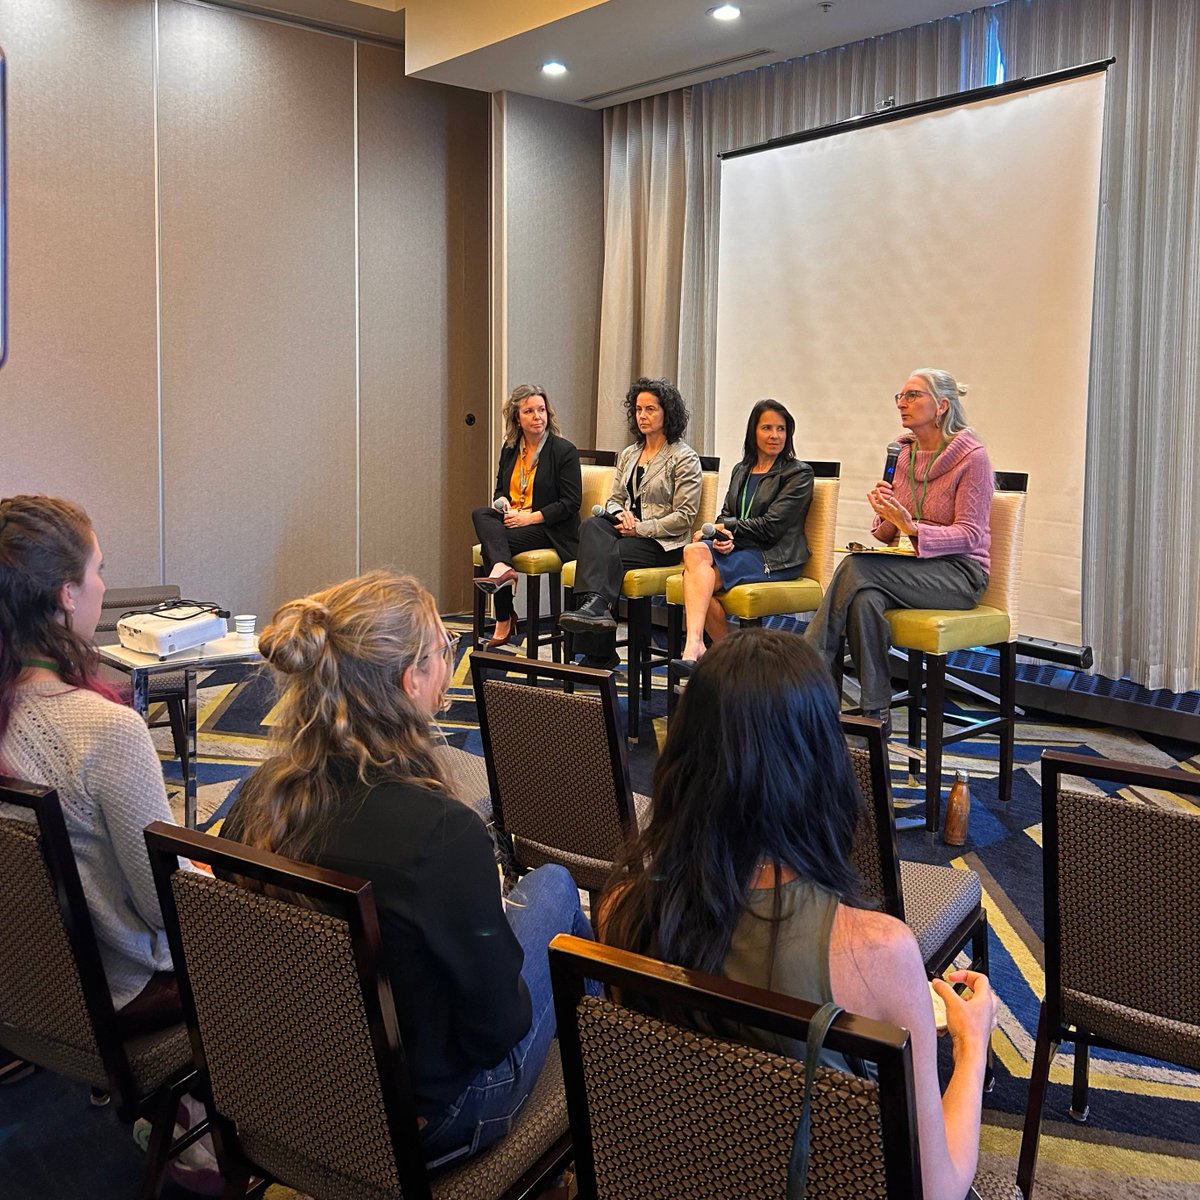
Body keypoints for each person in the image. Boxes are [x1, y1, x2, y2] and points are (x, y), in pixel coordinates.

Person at [600, 630, 998, 1200]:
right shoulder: (879, 952)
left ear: (684, 759)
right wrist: (972, 1045)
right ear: (820, 767)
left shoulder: (622, 909)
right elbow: (937, 1189)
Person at [220, 570, 593, 1164]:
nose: (451, 660)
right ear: (411, 679)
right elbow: (497, 1029)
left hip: (296, 1092)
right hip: (428, 1120)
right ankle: (596, 1109)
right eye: (444, 649)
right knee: (556, 889)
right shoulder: (443, 836)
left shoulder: (256, 800)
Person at [0, 494, 188, 1024]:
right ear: (67, 594)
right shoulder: (105, 730)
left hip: (21, 979)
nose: (103, 586)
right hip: (118, 990)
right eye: (98, 570)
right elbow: (165, 907)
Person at [805, 369, 992, 737]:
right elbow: (884, 532)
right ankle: (877, 716)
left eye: (913, 396)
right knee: (865, 600)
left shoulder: (974, 458)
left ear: (941, 406)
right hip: (910, 567)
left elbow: (970, 534)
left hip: (960, 574)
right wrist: (887, 514)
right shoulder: (900, 451)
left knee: (855, 568)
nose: (902, 404)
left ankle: (806, 671)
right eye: (899, 396)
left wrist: (912, 527)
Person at [558, 377, 702, 669]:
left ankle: (599, 647)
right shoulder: (629, 453)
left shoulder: (684, 458)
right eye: (638, 409)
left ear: (667, 413)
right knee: (591, 526)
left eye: (650, 409)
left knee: (603, 555)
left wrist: (640, 527)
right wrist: (619, 514)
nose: (643, 416)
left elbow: (684, 516)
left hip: (663, 543)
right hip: (626, 533)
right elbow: (614, 498)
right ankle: (598, 612)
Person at [673, 399, 813, 671]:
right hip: (742, 549)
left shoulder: (799, 473)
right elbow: (726, 514)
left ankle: (705, 650)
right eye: (767, 428)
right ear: (753, 432)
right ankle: (714, 652)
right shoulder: (742, 470)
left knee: (694, 580)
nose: (775, 435)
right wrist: (717, 536)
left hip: (775, 556)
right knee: (694, 552)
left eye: (781, 429)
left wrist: (729, 531)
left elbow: (772, 526)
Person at [471, 385, 582, 650]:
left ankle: (503, 616)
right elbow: (500, 489)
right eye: (529, 411)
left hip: (551, 528)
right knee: (481, 513)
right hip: (514, 520)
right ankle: (503, 569)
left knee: (494, 543)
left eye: (541, 410)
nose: (537, 417)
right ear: (517, 418)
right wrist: (503, 503)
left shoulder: (563, 451)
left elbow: (571, 503)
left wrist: (529, 518)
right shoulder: (510, 448)